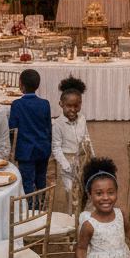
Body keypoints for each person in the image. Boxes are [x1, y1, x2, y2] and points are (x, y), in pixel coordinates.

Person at [8, 68, 52, 200]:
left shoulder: (17, 104)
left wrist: (11, 150)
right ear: (37, 85)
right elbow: (48, 128)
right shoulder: (45, 104)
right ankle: (42, 206)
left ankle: (30, 209)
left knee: (27, 182)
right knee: (41, 179)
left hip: (25, 151)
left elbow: (12, 129)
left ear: (21, 86)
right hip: (42, 148)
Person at [52, 76, 90, 205]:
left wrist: (92, 156)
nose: (73, 110)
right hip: (67, 160)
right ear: (61, 104)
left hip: (82, 159)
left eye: (76, 106)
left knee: (82, 190)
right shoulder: (58, 124)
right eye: (69, 106)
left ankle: (80, 216)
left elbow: (86, 138)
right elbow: (56, 147)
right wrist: (65, 164)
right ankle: (72, 215)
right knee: (71, 191)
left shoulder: (82, 119)